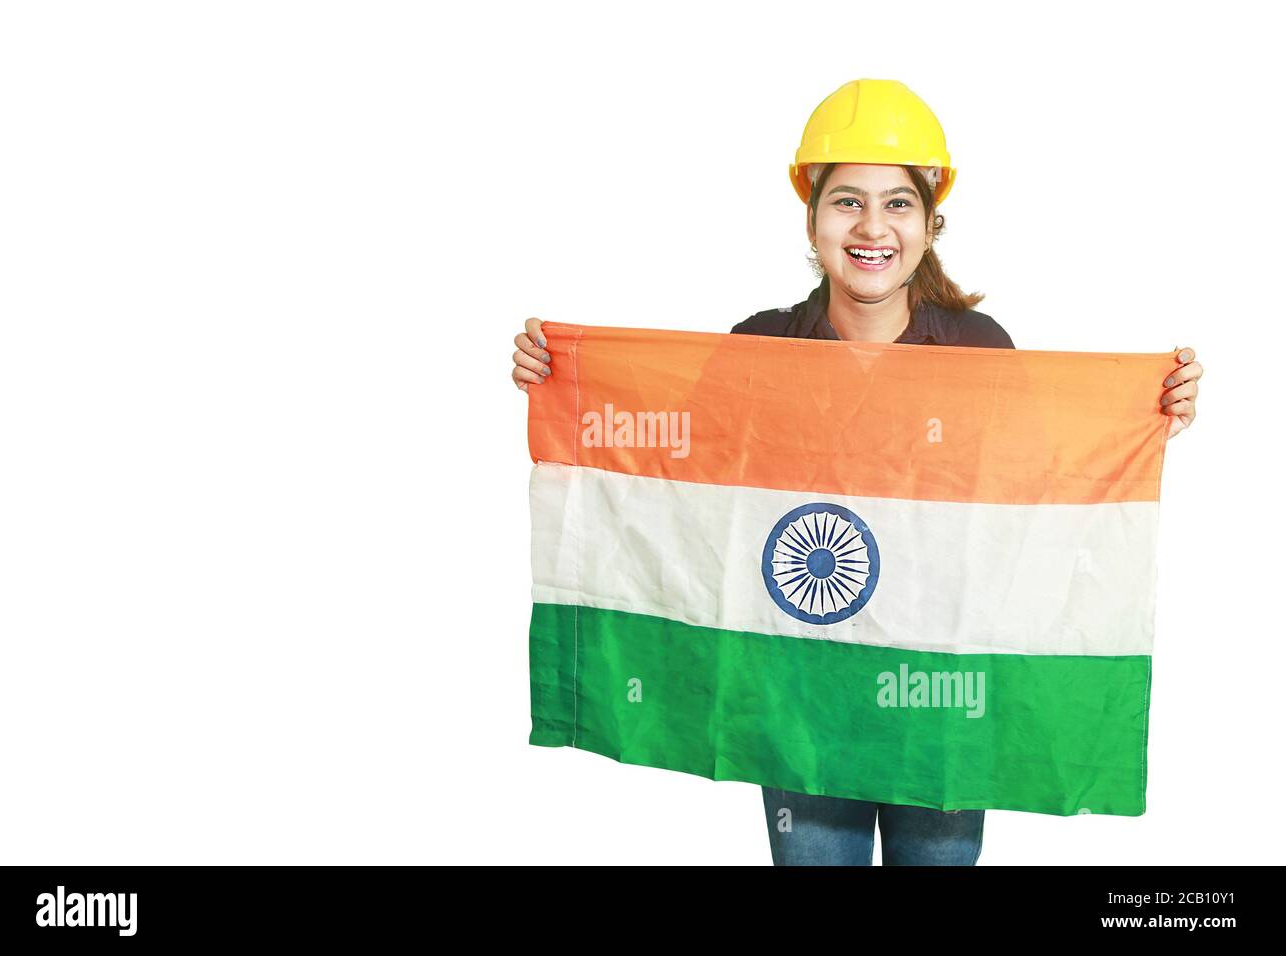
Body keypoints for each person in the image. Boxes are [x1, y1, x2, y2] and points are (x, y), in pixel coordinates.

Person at [510, 79, 1203, 864]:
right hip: (802, 705)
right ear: (811, 217)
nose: (872, 227)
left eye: (898, 204)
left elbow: (1043, 490)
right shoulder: (759, 350)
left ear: (931, 220)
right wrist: (564, 381)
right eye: (847, 202)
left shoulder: (978, 350)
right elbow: (669, 475)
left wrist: (1146, 419)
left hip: (941, 704)